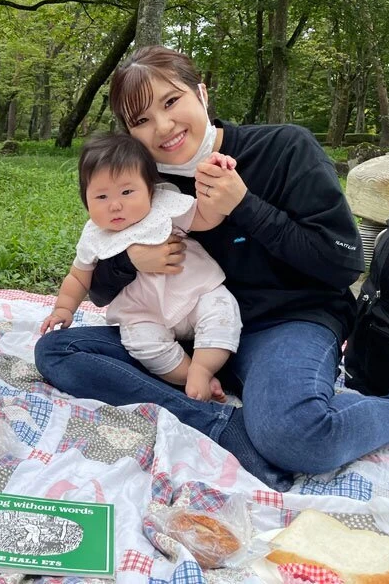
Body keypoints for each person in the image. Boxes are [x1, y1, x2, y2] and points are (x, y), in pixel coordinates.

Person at [35, 45, 389, 492]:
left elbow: (342, 262)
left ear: (201, 94)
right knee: (57, 352)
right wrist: (132, 262)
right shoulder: (148, 183)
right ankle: (222, 425)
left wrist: (245, 206)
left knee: (298, 436)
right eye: (141, 120)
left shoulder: (283, 148)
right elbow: (102, 289)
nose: (163, 127)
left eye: (171, 103)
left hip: (283, 324)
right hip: (184, 335)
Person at [40, 133, 241, 402]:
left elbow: (206, 217)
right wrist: (63, 308)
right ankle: (188, 376)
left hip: (195, 293)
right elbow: (78, 277)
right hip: (143, 313)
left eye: (126, 191)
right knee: (141, 342)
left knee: (222, 310)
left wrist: (213, 187)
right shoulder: (93, 236)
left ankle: (204, 368)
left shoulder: (163, 208)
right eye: (101, 196)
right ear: (85, 199)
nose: (115, 204)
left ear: (150, 188)